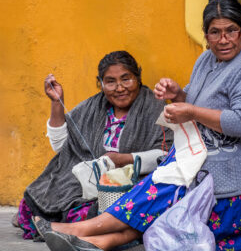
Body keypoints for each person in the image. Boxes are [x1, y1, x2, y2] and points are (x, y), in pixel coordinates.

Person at [34, 0, 241, 251]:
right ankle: (99, 242)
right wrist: (178, 94)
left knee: (164, 188)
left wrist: (189, 111)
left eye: (231, 31)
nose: (223, 39)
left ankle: (79, 230)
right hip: (203, 158)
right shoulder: (207, 60)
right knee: (160, 190)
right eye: (215, 32)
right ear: (206, 35)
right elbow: (197, 99)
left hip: (237, 171)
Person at [16, 51, 173, 240]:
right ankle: (56, 225)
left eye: (126, 79)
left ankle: (69, 229)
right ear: (100, 83)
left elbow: (166, 154)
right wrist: (57, 103)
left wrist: (122, 160)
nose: (120, 88)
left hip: (129, 182)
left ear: (137, 78)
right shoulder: (93, 107)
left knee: (93, 213)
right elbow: (62, 146)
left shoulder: (154, 107)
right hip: (86, 180)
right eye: (110, 81)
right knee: (32, 201)